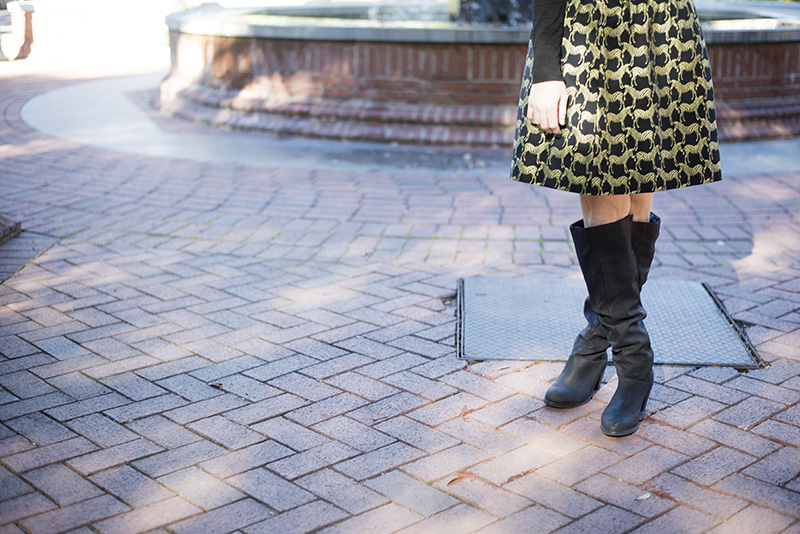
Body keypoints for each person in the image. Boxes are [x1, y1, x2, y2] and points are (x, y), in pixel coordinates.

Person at [511, 0, 721, 436]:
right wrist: (548, 67)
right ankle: (633, 356)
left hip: (662, 31)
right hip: (588, 36)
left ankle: (597, 345)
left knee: (638, 183)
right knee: (601, 181)